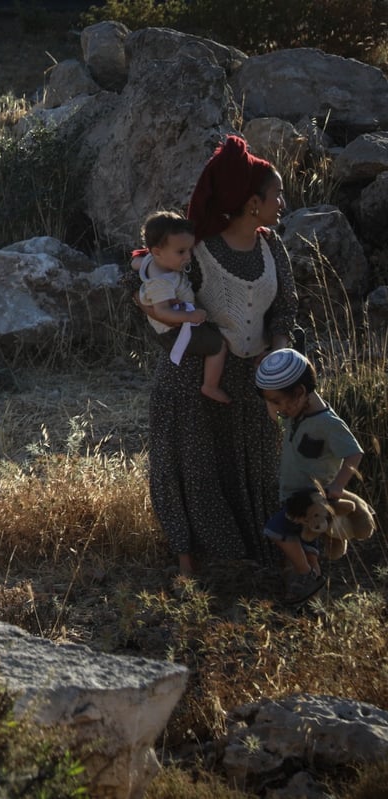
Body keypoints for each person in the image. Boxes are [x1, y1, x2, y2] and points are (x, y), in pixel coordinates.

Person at [137, 134, 298, 577]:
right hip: (196, 383)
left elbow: (286, 309)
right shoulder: (199, 249)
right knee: (196, 472)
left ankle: (263, 565)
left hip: (255, 384)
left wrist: (278, 365)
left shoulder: (272, 247)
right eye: (276, 194)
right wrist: (159, 313)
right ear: (251, 202)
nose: (282, 202)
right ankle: (199, 569)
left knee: (261, 474)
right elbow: (153, 289)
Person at [255, 349, 363, 602]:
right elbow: (276, 406)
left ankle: (306, 577)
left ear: (301, 392)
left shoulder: (327, 423)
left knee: (276, 531)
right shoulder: (297, 412)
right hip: (293, 495)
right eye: (272, 402)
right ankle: (313, 598)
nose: (277, 409)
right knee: (306, 545)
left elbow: (354, 453)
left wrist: (337, 485)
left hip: (311, 498)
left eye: (279, 401)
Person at [132, 211, 230, 404]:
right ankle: (210, 386)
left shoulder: (153, 262)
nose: (188, 257)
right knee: (219, 345)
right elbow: (162, 311)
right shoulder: (161, 282)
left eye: (188, 250)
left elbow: (137, 262)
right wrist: (190, 317)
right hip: (173, 331)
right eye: (180, 252)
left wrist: (136, 263)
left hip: (177, 323)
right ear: (158, 251)